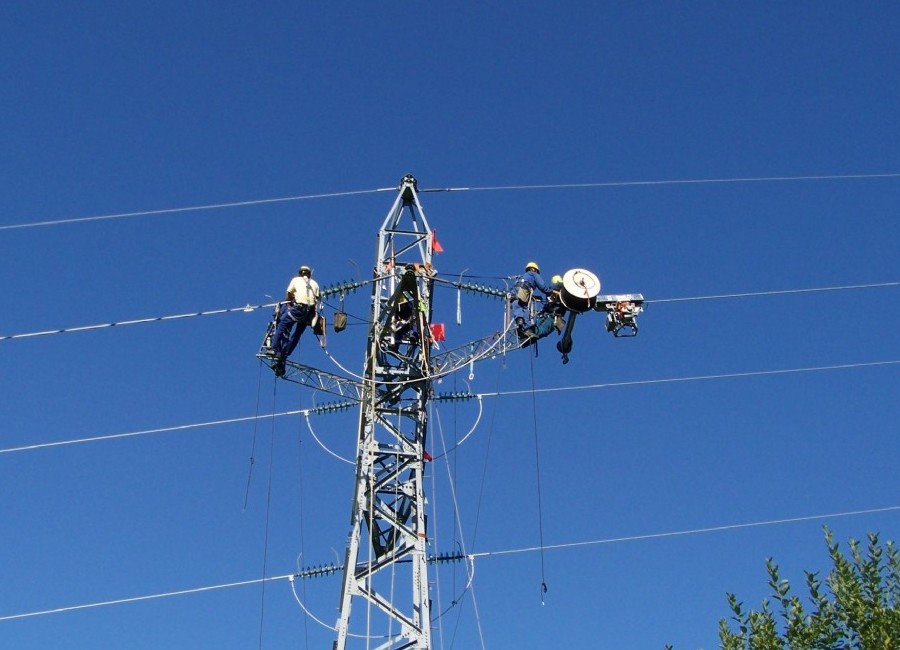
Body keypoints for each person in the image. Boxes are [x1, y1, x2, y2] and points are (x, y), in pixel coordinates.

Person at [271, 265, 320, 376]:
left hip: (298, 309)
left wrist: (289, 304)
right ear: (309, 274)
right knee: (297, 334)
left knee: (282, 325)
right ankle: (284, 355)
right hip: (309, 314)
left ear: (300, 273)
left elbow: (288, 295)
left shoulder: (296, 280)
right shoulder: (315, 284)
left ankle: (274, 348)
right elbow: (316, 300)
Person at [509, 261, 555, 339]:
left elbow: (519, 292)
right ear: (534, 269)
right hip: (524, 289)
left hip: (515, 294)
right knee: (525, 308)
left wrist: (536, 297)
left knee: (518, 306)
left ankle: (520, 325)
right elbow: (542, 286)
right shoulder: (533, 274)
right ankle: (527, 329)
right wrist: (549, 292)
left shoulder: (521, 277)